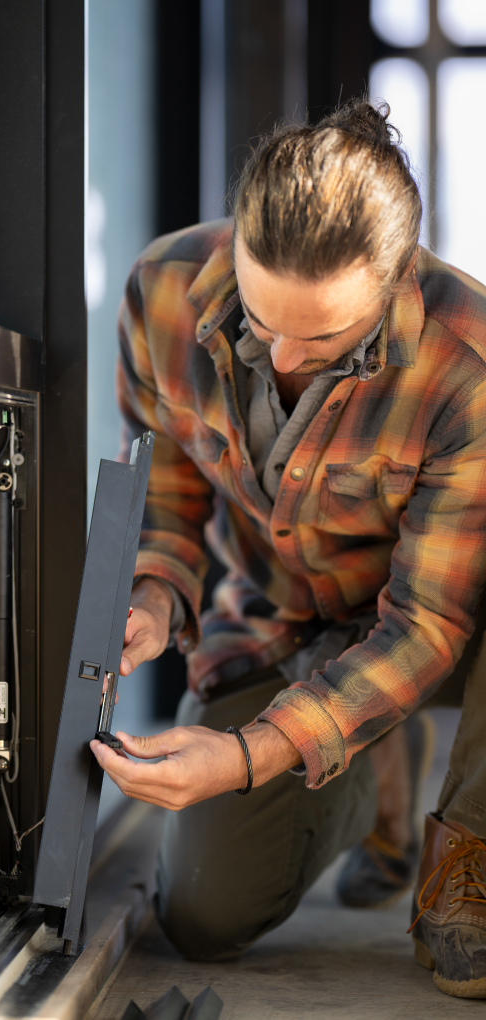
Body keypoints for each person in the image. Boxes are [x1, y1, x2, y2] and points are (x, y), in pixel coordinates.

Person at [89, 99, 486, 1000]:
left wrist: (245, 756)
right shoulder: (161, 290)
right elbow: (168, 484)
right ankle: (375, 781)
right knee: (201, 919)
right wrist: (152, 593)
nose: (282, 356)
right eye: (263, 321)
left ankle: (468, 843)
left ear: (396, 283)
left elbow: (427, 623)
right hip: (277, 619)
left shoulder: (468, 364)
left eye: (324, 338)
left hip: (446, 626)